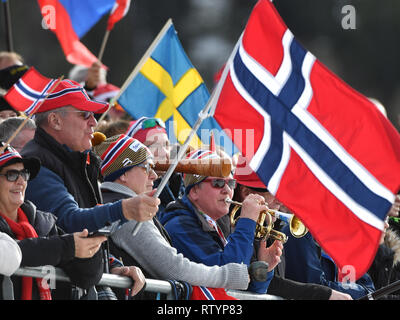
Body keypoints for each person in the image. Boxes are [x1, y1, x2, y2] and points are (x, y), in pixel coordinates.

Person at [92, 134, 254, 297]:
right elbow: (174, 268)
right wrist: (231, 275)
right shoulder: (128, 211)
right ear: (123, 174)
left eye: (230, 183)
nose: (154, 175)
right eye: (147, 167)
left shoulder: (114, 203)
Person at [21, 79, 159, 234]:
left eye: (93, 115)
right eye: (85, 114)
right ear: (55, 121)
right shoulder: (36, 164)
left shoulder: (80, 159)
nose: (94, 122)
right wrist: (124, 209)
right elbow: (67, 221)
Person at [160, 148, 283, 294]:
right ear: (194, 191)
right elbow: (229, 276)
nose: (227, 190)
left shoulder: (218, 224)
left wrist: (264, 268)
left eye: (230, 183)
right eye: (218, 183)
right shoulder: (180, 226)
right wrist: (247, 222)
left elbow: (248, 291)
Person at [232, 155, 352, 300]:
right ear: (245, 193)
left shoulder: (268, 227)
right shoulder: (231, 226)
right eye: (273, 192)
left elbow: (264, 284)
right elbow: (259, 283)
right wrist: (324, 294)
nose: (280, 200)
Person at [0, 143, 105, 300]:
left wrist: (87, 253)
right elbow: (11, 252)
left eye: (24, 174)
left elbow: (87, 278)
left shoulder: (44, 223)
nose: (21, 181)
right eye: (12, 175)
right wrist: (66, 247)